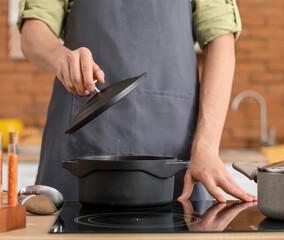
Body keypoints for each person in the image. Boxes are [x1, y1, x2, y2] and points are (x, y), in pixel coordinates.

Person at [18, 0, 256, 202]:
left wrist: (206, 145)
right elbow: (34, 28)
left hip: (174, 149)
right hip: (82, 146)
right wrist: (61, 58)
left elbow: (220, 37)